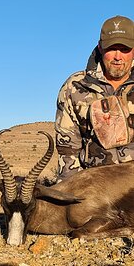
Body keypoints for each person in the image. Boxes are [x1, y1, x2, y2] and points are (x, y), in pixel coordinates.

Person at [55, 15, 134, 181]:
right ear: (100, 47)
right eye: (111, 48)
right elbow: (68, 149)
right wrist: (69, 196)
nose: (118, 57)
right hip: (94, 187)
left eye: (125, 49)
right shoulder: (75, 86)